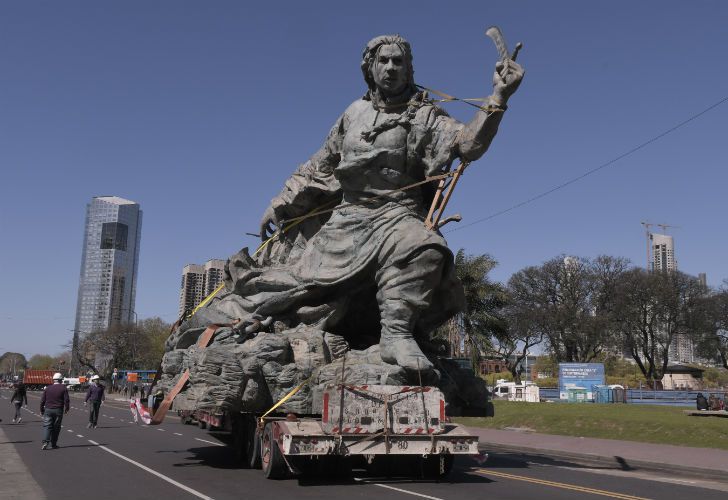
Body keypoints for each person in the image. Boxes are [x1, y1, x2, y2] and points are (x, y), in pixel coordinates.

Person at [207, 34, 523, 377]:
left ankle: (397, 335)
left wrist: (498, 98)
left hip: (400, 213)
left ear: (409, 69)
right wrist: (281, 201)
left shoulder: (426, 116)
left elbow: (468, 144)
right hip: (347, 220)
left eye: (397, 62)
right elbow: (320, 164)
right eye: (383, 61)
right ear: (369, 68)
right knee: (296, 288)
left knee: (426, 247)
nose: (390, 68)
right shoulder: (353, 114)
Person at [40, 373, 70, 449]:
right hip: (58, 410)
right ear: (60, 380)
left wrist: (41, 410)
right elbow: (66, 400)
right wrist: (67, 408)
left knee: (47, 426)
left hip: (48, 409)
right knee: (56, 427)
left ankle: (45, 442)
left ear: (53, 380)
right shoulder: (63, 388)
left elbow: (42, 400)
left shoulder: (48, 388)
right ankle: (53, 444)